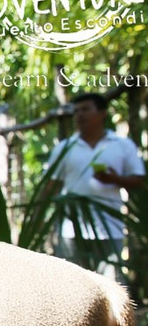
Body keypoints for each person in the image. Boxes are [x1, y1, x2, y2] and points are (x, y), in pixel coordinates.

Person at [44, 91, 145, 281]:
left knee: (111, 286)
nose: (80, 115)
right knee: (70, 284)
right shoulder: (64, 147)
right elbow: (51, 185)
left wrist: (114, 179)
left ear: (102, 113)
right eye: (77, 111)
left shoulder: (122, 145)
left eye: (86, 109)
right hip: (70, 229)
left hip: (109, 227)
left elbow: (138, 179)